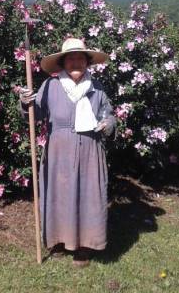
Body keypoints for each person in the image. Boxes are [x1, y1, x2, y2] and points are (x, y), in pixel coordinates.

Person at [19, 38, 116, 267]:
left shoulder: (97, 88)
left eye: (80, 59)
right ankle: (60, 240)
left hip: (90, 151)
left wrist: (108, 124)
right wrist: (26, 103)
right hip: (59, 151)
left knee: (88, 195)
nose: (75, 63)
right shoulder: (50, 86)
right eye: (71, 59)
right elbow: (36, 114)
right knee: (59, 195)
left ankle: (85, 246)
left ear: (87, 63)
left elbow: (109, 115)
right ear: (63, 62)